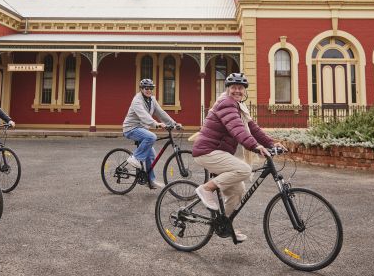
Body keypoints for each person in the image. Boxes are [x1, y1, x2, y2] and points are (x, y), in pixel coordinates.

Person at [192, 73, 286, 242]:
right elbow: (237, 129)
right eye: (233, 87)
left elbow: (253, 129)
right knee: (244, 169)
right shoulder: (226, 104)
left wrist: (272, 144)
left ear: (244, 91)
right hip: (207, 152)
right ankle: (206, 189)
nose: (237, 90)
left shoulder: (240, 108)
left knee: (238, 190)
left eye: (240, 88)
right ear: (227, 89)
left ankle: (224, 224)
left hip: (218, 152)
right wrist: (255, 146)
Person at [122, 78, 181, 189]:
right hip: (131, 128)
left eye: (150, 88)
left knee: (151, 154)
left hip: (142, 129)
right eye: (146, 88)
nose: (148, 90)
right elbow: (143, 115)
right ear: (141, 89)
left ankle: (151, 180)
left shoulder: (152, 100)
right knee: (152, 136)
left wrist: (174, 123)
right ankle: (135, 158)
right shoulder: (137, 100)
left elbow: (161, 113)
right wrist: (156, 124)